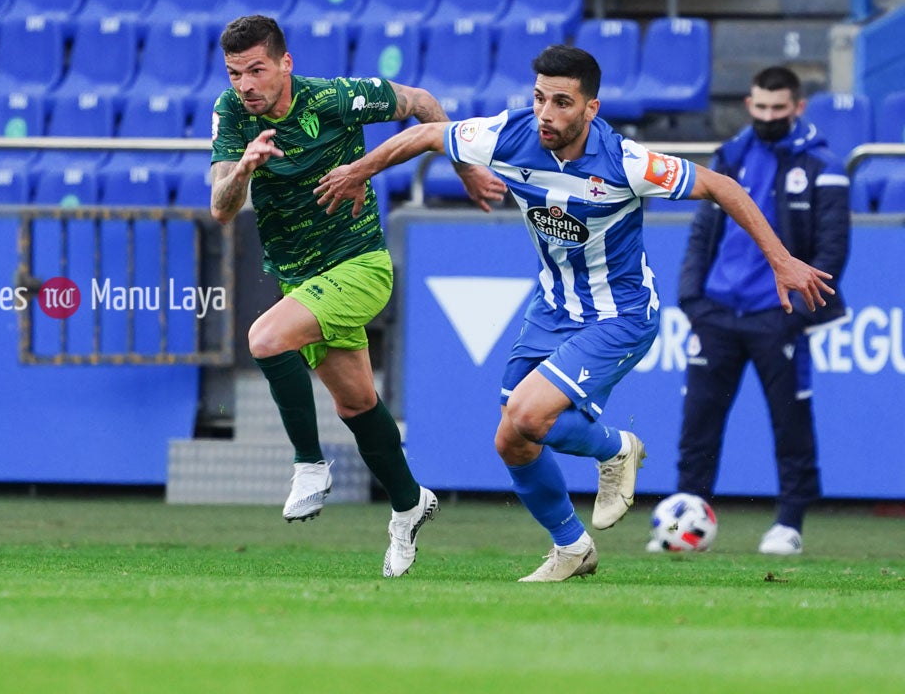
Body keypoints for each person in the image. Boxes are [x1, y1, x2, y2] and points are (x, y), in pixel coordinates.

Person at [315, 45, 834, 582]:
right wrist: (360, 171)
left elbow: (720, 186)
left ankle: (615, 448)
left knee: (526, 415)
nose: (546, 113)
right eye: (539, 98)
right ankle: (571, 546)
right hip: (552, 307)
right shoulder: (507, 135)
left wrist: (782, 260)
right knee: (511, 439)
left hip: (620, 314)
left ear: (592, 109)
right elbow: (424, 132)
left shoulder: (625, 163)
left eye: (562, 102)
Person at [209, 15, 501, 578]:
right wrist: (244, 167)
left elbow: (419, 101)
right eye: (235, 72)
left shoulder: (337, 98)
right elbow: (221, 208)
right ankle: (409, 504)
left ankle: (311, 465)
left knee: (265, 338)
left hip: (361, 265)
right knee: (357, 404)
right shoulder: (230, 116)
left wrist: (464, 171)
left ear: (285, 64)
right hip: (302, 280)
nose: (245, 84)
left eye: (256, 70)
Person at [671, 66, 850, 556]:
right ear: (749, 104)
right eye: (761, 107)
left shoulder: (823, 164)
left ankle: (789, 523)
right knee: (698, 423)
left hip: (780, 316)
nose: (768, 116)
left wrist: (800, 313)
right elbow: (702, 233)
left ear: (798, 107)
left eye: (778, 108)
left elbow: (833, 250)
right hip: (717, 313)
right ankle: (688, 518)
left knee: (791, 422)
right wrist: (693, 298)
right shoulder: (729, 155)